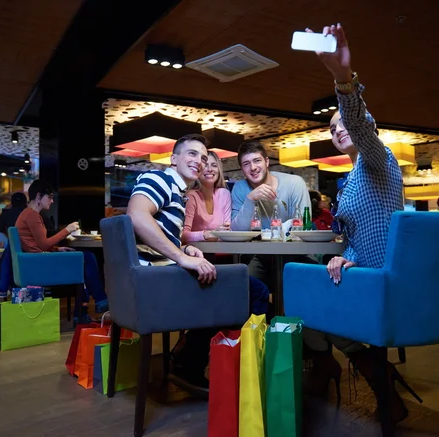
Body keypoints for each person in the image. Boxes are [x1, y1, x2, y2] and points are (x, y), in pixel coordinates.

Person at [303, 23, 416, 423]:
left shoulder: (378, 159)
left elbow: (361, 127)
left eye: (343, 124)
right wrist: (345, 255)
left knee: (308, 301)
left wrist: (343, 79)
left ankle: (347, 370)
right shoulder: (350, 179)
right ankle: (366, 373)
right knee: (308, 296)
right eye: (332, 129)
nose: (338, 130)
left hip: (386, 280)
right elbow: (354, 236)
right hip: (364, 273)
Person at [127, 134, 269, 387]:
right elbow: (136, 216)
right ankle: (225, 366)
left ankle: (191, 354)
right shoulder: (158, 178)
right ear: (173, 158)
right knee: (252, 290)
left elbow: (160, 232)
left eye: (203, 158)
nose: (200, 161)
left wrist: (185, 248)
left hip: (156, 275)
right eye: (192, 154)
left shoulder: (178, 193)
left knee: (235, 285)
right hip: (155, 281)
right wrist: (181, 257)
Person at [15, 179, 108, 324]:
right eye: (50, 197)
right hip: (40, 264)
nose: (51, 201)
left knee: (82, 260)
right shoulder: (32, 215)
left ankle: (83, 311)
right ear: (39, 196)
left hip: (36, 261)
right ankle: (99, 301)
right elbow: (44, 245)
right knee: (87, 258)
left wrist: (58, 249)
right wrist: (67, 230)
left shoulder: (28, 214)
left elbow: (37, 244)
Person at [231, 140, 313, 290]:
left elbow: (301, 226)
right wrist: (250, 199)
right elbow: (237, 231)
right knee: (243, 288)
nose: (253, 167)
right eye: (246, 164)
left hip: (295, 253)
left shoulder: (294, 183)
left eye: (257, 161)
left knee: (301, 290)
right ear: (242, 169)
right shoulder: (240, 188)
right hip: (261, 255)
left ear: (267, 161)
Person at [182, 150, 231, 243]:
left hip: (223, 252)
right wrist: (208, 234)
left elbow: (227, 231)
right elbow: (182, 235)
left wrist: (220, 234)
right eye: (205, 165)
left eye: (214, 165)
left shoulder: (224, 194)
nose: (210, 169)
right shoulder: (191, 196)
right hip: (196, 254)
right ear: (198, 169)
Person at [0, 192, 27, 299]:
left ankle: (4, 290)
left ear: (12, 202)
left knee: (6, 260)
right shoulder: (30, 213)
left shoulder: (7, 214)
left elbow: (0, 227)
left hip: (13, 247)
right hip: (29, 248)